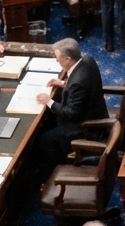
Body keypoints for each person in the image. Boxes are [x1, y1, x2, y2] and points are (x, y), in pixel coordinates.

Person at [35, 38, 110, 166]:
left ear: (68, 59)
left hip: (84, 125)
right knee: (49, 120)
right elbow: (85, 86)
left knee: (44, 140)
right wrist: (63, 83)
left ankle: (61, 166)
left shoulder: (77, 83)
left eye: (58, 57)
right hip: (95, 110)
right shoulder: (88, 60)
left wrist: (48, 101)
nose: (56, 60)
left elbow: (70, 113)